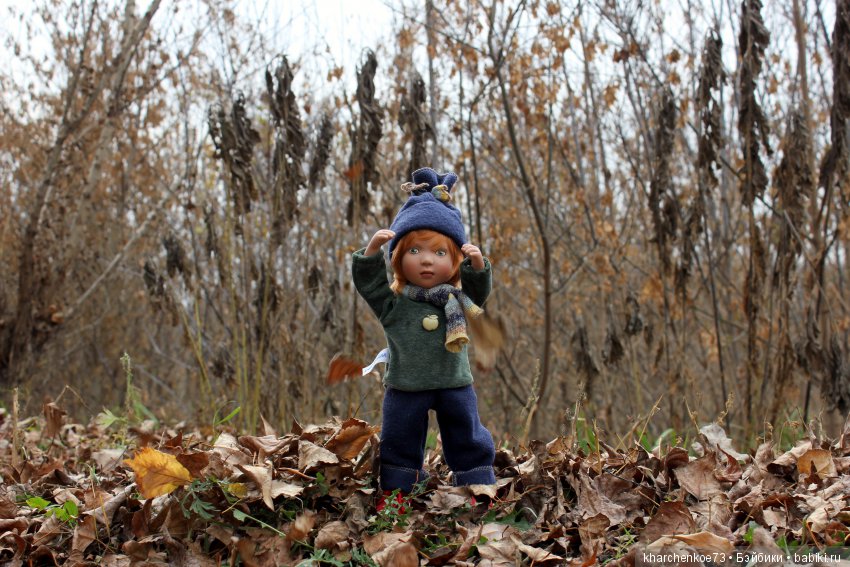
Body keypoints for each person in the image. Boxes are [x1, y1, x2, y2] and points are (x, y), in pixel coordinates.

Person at [351, 167, 496, 504]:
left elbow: (478, 294)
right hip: (406, 386)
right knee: (400, 438)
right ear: (399, 259)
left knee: (467, 434)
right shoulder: (394, 304)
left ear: (455, 261)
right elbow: (371, 286)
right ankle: (399, 489)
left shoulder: (456, 300)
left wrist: (477, 266)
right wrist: (371, 252)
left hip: (454, 382)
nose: (427, 261)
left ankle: (477, 484)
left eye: (440, 252)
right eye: (415, 252)